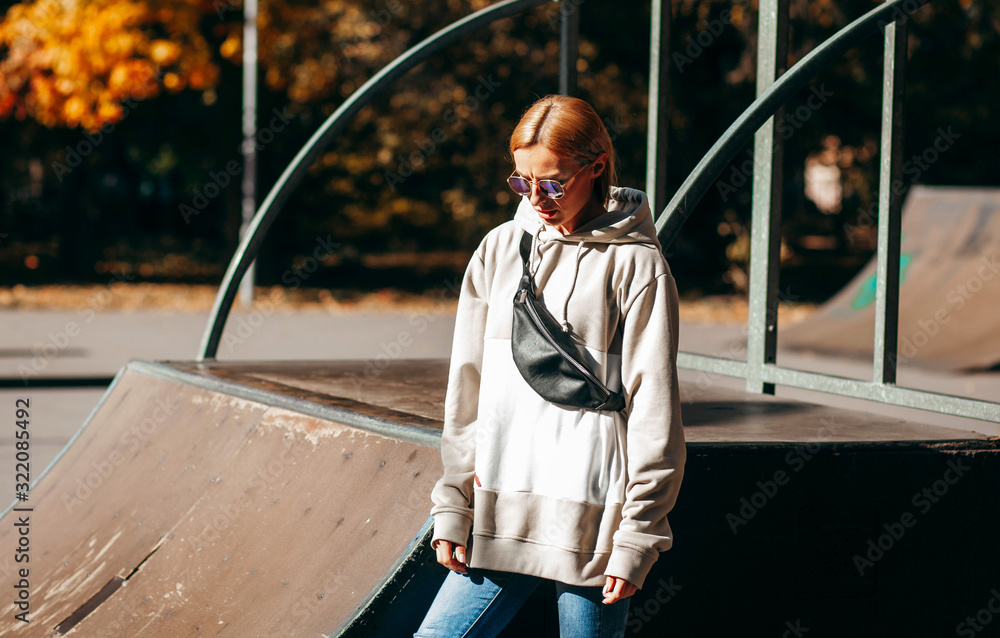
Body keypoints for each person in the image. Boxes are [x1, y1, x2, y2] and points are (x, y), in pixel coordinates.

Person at [414, 95, 685, 638]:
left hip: (594, 522)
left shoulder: (636, 265)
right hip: (500, 510)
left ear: (597, 166)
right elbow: (466, 391)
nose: (537, 198)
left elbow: (654, 411)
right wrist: (453, 503)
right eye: (521, 182)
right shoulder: (498, 251)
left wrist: (637, 536)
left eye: (553, 182)